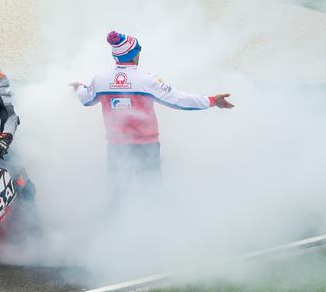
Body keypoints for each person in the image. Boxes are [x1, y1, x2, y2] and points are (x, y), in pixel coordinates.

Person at [71, 30, 233, 208]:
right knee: (152, 194)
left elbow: (86, 99)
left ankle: (109, 231)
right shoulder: (147, 80)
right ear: (135, 55)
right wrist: (211, 100)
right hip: (146, 146)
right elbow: (178, 100)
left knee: (116, 196)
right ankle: (154, 230)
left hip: (117, 147)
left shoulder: (100, 80)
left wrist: (79, 87)